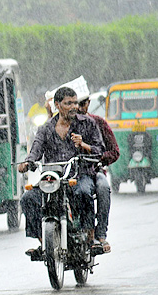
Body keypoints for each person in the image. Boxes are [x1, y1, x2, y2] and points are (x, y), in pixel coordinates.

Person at [18, 86, 105, 259]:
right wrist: (27, 163)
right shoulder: (45, 129)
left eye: (75, 103)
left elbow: (100, 150)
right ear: (57, 105)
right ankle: (43, 242)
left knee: (84, 192)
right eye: (68, 103)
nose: (73, 107)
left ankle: (90, 236)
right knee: (28, 199)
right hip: (53, 179)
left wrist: (84, 146)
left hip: (80, 175)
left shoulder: (87, 124)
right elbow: (35, 151)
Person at [78, 90, 119, 254]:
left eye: (81, 104)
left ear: (88, 103)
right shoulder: (62, 124)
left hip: (93, 171)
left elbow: (114, 151)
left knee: (103, 188)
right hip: (70, 173)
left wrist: (98, 157)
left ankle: (99, 233)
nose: (77, 108)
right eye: (73, 104)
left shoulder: (98, 123)